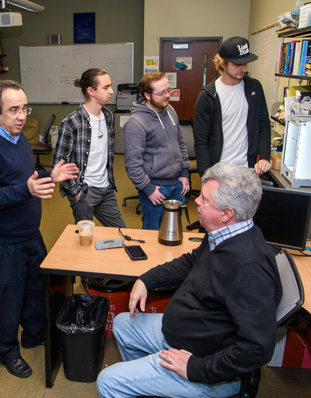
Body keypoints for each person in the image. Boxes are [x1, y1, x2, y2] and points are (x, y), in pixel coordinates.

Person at [96, 162, 282, 398]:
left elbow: (257, 348)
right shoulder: (224, 234)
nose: (196, 202)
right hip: (184, 334)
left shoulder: (249, 268)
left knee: (108, 382)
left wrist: (195, 368)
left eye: (204, 199)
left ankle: (160, 380)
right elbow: (191, 261)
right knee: (123, 324)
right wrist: (146, 280)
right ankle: (154, 384)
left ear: (227, 214)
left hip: (204, 369)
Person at [0, 80, 79, 379]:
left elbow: (22, 178)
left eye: (24, 108)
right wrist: (26, 190)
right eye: (13, 109)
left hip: (30, 235)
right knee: (5, 303)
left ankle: (33, 335)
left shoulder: (18, 138)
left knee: (34, 293)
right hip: (0, 243)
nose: (22, 116)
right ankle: (8, 352)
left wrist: (48, 175)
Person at [53, 68, 126, 228]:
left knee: (120, 232)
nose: (111, 91)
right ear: (91, 91)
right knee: (85, 238)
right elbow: (59, 164)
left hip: (106, 188)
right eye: (106, 87)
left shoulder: (108, 116)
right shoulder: (72, 122)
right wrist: (77, 193)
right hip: (84, 191)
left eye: (110, 86)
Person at [193, 36, 271, 178]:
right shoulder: (208, 96)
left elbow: (264, 125)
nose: (243, 68)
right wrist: (205, 177)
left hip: (248, 170)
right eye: (237, 64)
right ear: (223, 64)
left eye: (245, 63)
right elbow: (201, 142)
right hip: (220, 171)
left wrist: (265, 156)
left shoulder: (254, 87)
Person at [123, 71, 190, 230]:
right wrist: (148, 189)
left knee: (173, 232)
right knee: (152, 234)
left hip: (177, 186)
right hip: (155, 188)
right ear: (147, 95)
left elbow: (180, 142)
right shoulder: (136, 123)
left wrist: (184, 173)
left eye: (168, 90)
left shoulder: (170, 110)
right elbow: (133, 165)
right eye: (161, 93)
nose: (167, 95)